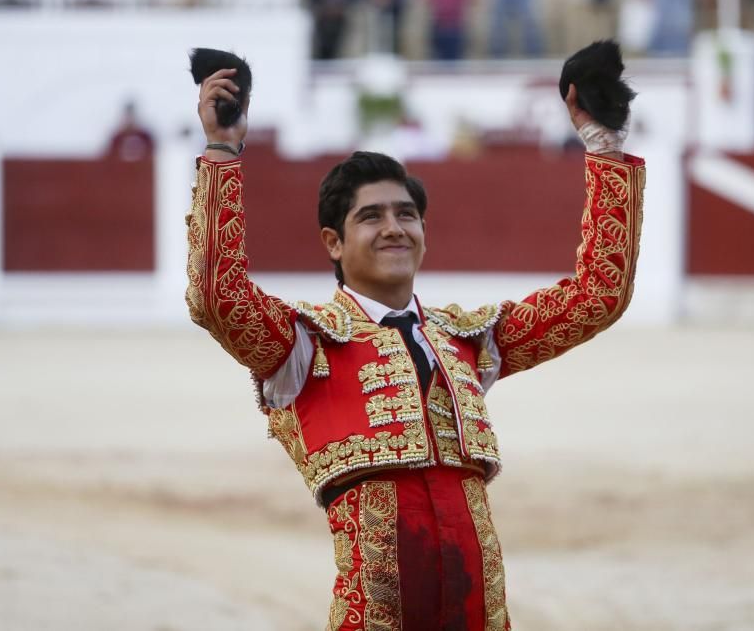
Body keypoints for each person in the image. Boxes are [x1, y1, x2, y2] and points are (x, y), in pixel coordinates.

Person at [186, 65, 645, 628]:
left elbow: (597, 294)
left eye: (407, 214)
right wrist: (221, 151)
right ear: (333, 242)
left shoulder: (468, 338)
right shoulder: (302, 344)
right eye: (370, 216)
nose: (394, 227)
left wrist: (605, 148)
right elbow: (216, 296)